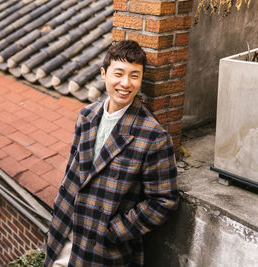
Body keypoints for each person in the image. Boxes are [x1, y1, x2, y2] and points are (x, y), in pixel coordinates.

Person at [44, 40, 179, 266]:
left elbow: (164, 200)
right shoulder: (86, 116)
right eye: (119, 74)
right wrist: (60, 205)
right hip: (62, 235)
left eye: (134, 76)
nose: (126, 83)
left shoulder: (153, 136)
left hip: (102, 251)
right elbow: (73, 170)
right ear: (103, 74)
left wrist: (115, 231)